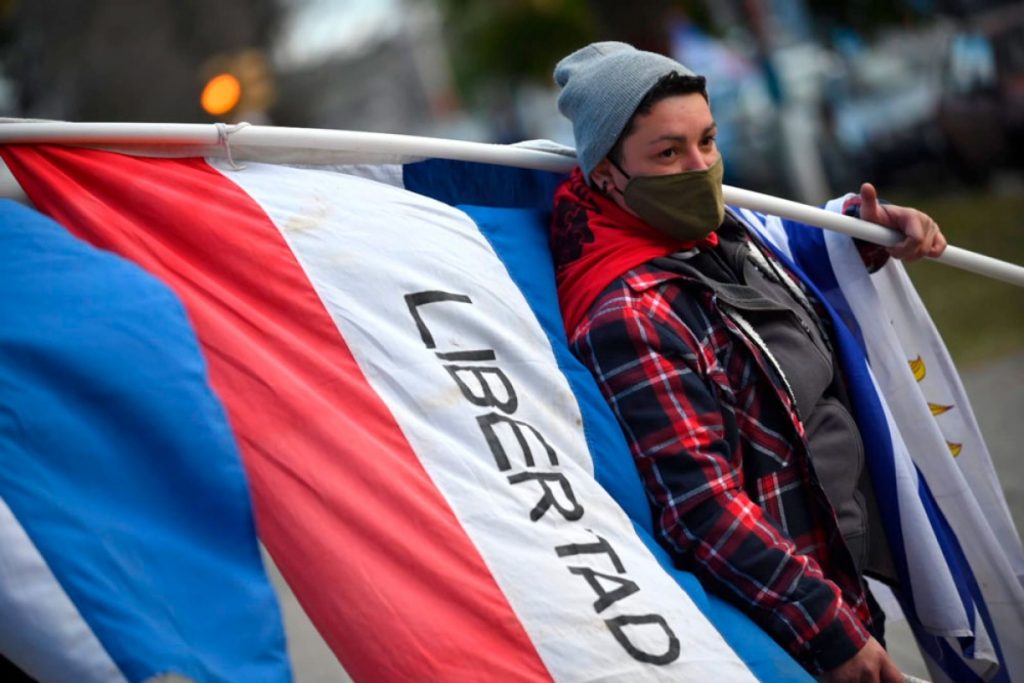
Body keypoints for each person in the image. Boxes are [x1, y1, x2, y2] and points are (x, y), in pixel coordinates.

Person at [549, 42, 946, 683]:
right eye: (668, 153)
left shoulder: (718, 233)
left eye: (707, 140)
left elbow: (791, 253)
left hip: (841, 577)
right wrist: (828, 632)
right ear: (605, 174)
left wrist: (867, 235)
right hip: (788, 634)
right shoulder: (632, 315)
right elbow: (702, 508)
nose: (700, 167)